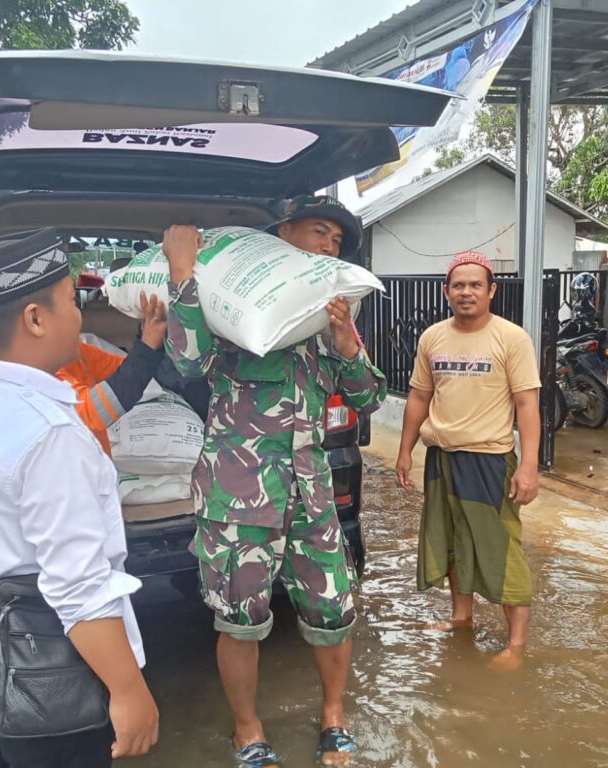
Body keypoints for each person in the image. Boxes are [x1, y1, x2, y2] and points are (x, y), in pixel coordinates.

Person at [161, 196, 385, 767]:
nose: (328, 248)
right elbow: (187, 362)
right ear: (283, 234)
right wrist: (184, 274)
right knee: (241, 621)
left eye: (337, 243)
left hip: (310, 494)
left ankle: (334, 719)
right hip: (238, 495)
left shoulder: (320, 324)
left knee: (335, 609)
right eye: (319, 234)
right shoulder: (232, 306)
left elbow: (370, 398)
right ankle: (248, 729)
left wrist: (348, 345)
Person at [0, 229, 159, 767]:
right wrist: (128, 690)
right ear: (35, 319)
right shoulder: (52, 434)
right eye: (71, 302)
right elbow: (79, 586)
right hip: (61, 691)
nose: (80, 316)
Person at [395, 250, 541, 670]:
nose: (466, 292)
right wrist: (405, 449)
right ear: (446, 292)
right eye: (458, 285)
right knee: (453, 539)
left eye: (476, 284)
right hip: (441, 457)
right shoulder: (433, 337)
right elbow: (420, 396)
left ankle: (515, 644)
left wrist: (529, 466)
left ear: (491, 290)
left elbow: (527, 405)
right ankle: (461, 618)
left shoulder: (511, 338)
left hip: (489, 459)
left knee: (501, 545)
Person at [57, 289, 211, 453]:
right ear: (36, 319)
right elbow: (93, 413)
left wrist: (149, 338)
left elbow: (125, 371)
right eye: (73, 302)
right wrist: (146, 348)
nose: (80, 312)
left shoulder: (73, 352)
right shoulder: (40, 382)